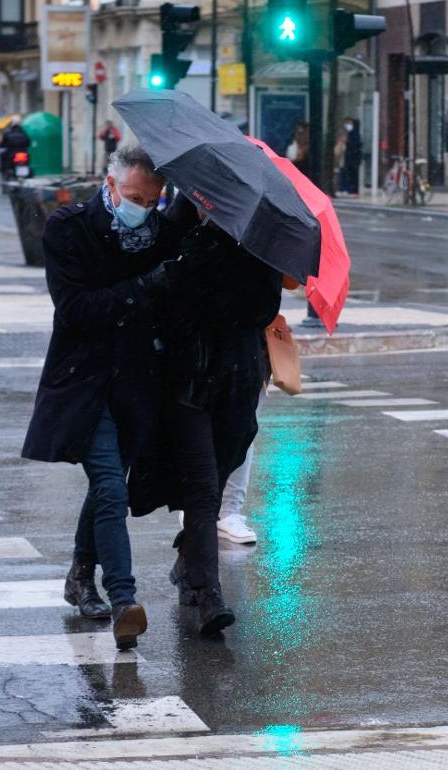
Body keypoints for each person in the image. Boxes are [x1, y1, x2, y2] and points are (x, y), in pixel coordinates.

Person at [21, 145, 181, 651]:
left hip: (137, 384)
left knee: (108, 488)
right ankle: (123, 600)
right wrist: (144, 287)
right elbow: (75, 310)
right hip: (85, 381)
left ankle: (79, 575)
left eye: (152, 200)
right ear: (109, 185)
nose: (143, 207)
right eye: (134, 197)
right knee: (111, 488)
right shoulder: (68, 228)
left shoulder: (164, 234)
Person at [155, 200, 283, 635]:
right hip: (190, 382)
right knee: (204, 488)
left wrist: (243, 268)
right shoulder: (180, 227)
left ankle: (189, 560)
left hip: (239, 384)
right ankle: (206, 595)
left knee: (223, 466)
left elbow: (264, 310)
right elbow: (168, 301)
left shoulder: (259, 244)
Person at [0, 116, 31, 181]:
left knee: (3, 159)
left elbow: (3, 144)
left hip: (11, 155)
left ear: (12, 123)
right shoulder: (24, 133)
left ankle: (6, 174)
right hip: (23, 154)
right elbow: (28, 143)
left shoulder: (7, 133)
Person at [340, 118, 362, 196]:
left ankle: (353, 190)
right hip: (350, 158)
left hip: (353, 159)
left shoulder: (354, 134)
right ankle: (350, 189)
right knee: (350, 174)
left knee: (353, 174)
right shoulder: (350, 133)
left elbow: (355, 145)